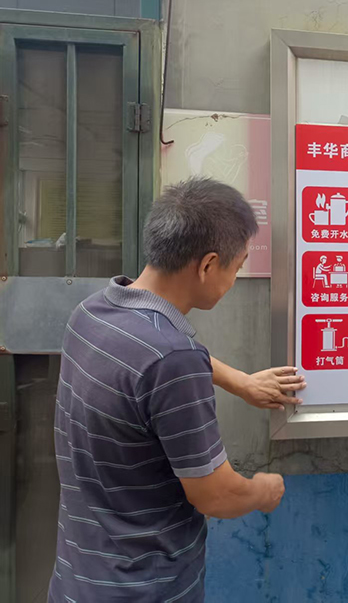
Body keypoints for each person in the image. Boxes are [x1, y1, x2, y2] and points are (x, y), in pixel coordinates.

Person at [49, 177, 306, 603]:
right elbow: (215, 494)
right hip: (143, 588)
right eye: (237, 267)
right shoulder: (173, 360)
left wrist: (239, 382)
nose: (235, 280)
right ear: (207, 266)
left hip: (76, 578)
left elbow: (151, 363)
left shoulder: (92, 313)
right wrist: (264, 490)